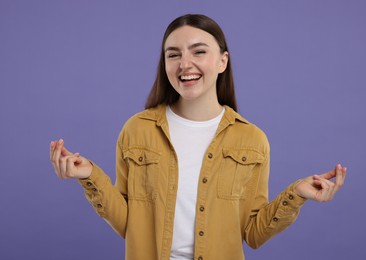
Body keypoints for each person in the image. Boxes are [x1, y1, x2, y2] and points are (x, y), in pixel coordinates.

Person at [49, 14, 347, 260]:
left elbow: (254, 234)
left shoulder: (252, 139)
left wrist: (297, 194)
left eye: (199, 51)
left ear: (222, 61)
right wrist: (89, 175)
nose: (184, 64)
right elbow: (129, 224)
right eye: (173, 54)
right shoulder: (137, 130)